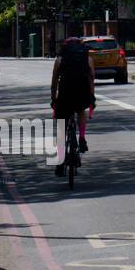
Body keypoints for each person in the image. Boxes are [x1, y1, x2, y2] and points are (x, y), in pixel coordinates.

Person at [51, 38, 95, 173]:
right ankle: (82, 138)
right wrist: (92, 99)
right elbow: (91, 80)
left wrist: (54, 99)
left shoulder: (59, 60)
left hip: (65, 94)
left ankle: (60, 161)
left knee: (61, 125)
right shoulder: (87, 59)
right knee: (81, 111)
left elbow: (54, 82)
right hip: (82, 92)